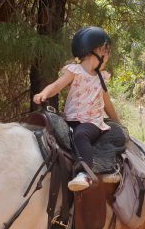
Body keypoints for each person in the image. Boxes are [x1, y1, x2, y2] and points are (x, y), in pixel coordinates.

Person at [33, 26, 121, 191]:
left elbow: (107, 103)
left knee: (81, 135)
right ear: (96, 51)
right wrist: (44, 93)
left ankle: (85, 173)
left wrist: (117, 122)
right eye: (107, 52)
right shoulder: (75, 71)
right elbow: (56, 86)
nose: (108, 57)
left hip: (92, 122)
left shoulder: (101, 77)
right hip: (72, 120)